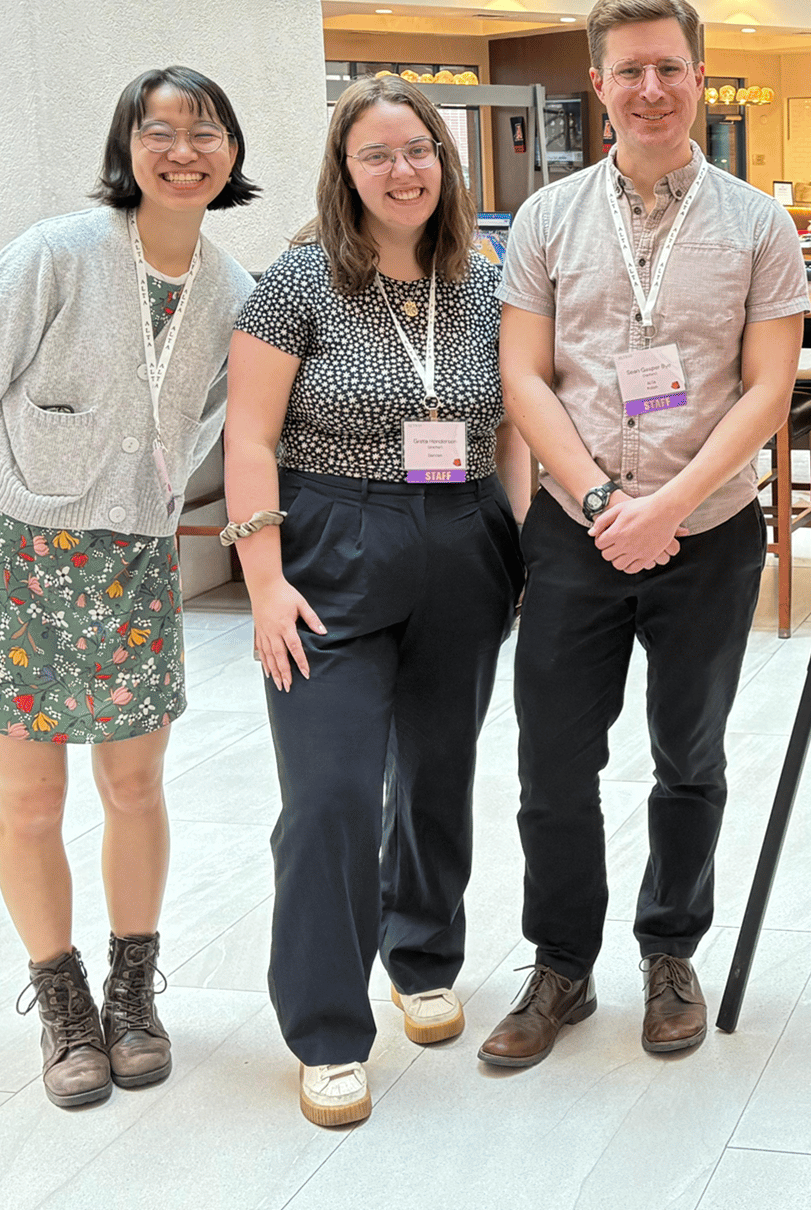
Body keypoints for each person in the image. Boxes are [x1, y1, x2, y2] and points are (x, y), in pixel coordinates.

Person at [0, 67, 259, 1108]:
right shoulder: (57, 252)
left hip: (131, 561)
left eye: (205, 133)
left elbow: (215, 418)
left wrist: (152, 485)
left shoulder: (231, 289)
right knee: (30, 800)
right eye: (160, 131)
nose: (183, 150)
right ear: (127, 148)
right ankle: (61, 1003)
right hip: (13, 553)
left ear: (232, 154)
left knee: (135, 787)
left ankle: (133, 992)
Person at [483, 0, 806, 1067]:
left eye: (670, 66)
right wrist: (600, 503)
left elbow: (767, 391)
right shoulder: (545, 218)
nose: (653, 87)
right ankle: (561, 965)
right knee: (554, 765)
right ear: (601, 86)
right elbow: (525, 377)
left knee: (689, 754)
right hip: (577, 534)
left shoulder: (759, 226)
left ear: (697, 76)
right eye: (631, 69)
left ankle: (671, 949)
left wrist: (665, 507)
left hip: (707, 531)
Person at [224, 75, 525, 1127]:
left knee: (439, 773)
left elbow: (509, 425)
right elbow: (249, 439)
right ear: (343, 172)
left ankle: (424, 952)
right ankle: (324, 1025)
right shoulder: (298, 282)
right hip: (329, 543)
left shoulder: (482, 283)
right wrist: (263, 583)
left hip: (463, 534)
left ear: (445, 163)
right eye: (377, 154)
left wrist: (519, 549)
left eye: (418, 151)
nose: (402, 171)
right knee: (333, 794)